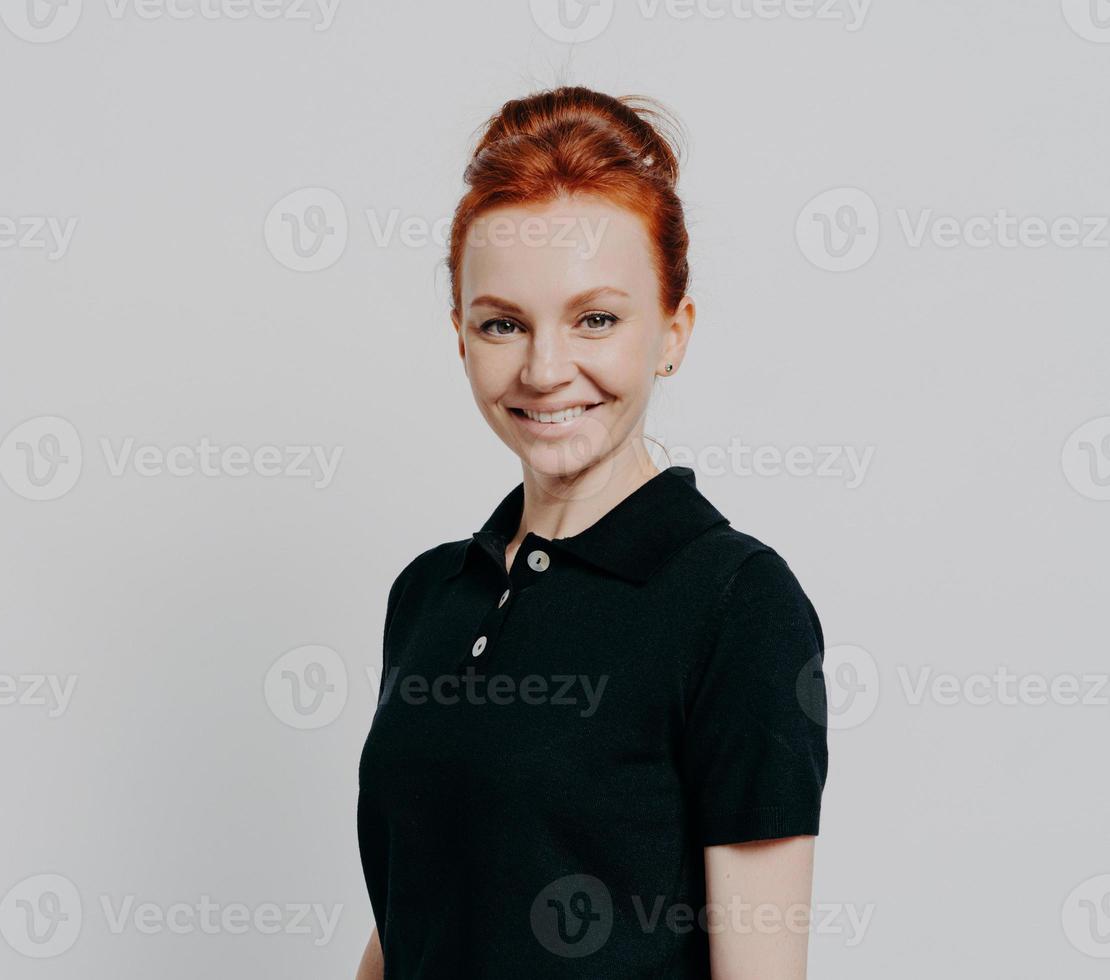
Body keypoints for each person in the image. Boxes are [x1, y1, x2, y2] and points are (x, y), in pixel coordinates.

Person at [354, 86, 830, 979]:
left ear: (672, 333)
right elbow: (411, 913)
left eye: (596, 319)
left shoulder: (736, 604)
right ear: (461, 337)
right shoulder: (428, 596)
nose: (544, 368)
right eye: (503, 323)